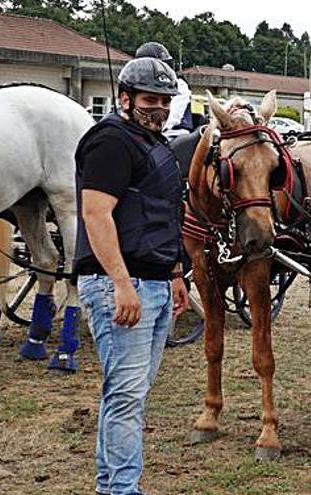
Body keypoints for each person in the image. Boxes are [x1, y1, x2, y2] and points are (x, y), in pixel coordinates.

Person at [73, 57, 188, 494]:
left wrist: (175, 272)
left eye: (165, 101)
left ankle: (112, 485)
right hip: (121, 284)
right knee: (126, 397)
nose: (158, 108)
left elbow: (163, 213)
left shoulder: (153, 143)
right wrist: (121, 283)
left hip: (155, 281)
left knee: (127, 394)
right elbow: (96, 214)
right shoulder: (111, 143)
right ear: (125, 98)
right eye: (149, 100)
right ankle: (122, 489)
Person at [134, 41, 194, 139]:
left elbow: (172, 117)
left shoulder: (179, 85)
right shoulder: (138, 87)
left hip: (174, 136)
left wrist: (149, 128)